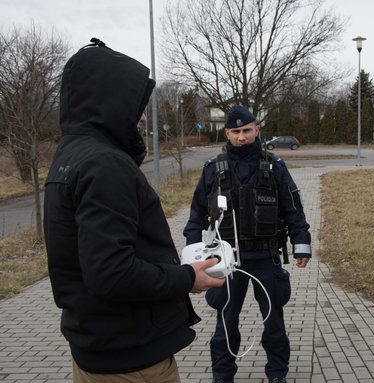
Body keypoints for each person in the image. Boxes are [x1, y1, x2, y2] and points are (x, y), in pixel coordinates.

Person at [43, 38, 224, 383]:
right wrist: (188, 278)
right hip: (131, 361)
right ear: (109, 103)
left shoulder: (71, 156)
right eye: (135, 104)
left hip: (97, 348)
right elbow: (112, 272)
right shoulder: (105, 164)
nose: (141, 116)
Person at [183, 105, 312, 383]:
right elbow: (196, 215)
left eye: (247, 130)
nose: (242, 137)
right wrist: (194, 257)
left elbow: (293, 208)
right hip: (225, 261)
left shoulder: (274, 167)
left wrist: (301, 242)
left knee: (274, 324)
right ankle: (222, 375)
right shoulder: (212, 170)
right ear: (227, 132)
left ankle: (277, 374)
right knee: (225, 325)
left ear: (257, 129)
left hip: (266, 256)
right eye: (236, 132)